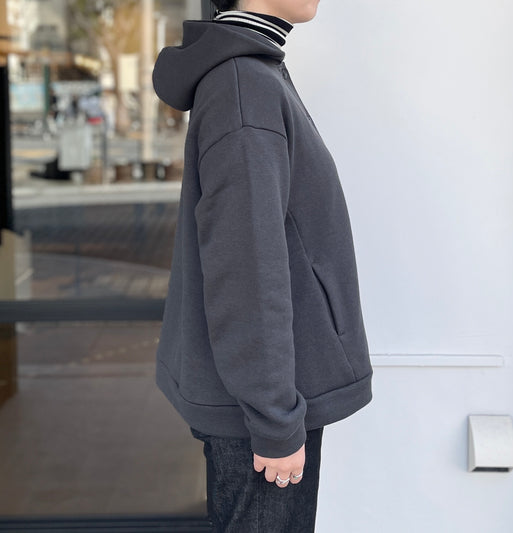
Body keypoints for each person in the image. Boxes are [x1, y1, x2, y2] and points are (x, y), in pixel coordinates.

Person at [152, 0, 373, 530]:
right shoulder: (243, 84)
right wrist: (275, 420)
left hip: (262, 398)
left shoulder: (254, 71)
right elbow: (247, 269)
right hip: (261, 409)